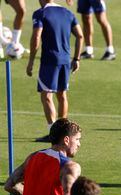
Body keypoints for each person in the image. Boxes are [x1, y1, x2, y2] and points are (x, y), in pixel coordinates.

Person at [26, 0, 83, 143]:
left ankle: (53, 133)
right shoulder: (68, 13)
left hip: (49, 61)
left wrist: (31, 60)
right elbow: (80, 36)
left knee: (46, 96)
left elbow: (36, 36)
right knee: (62, 95)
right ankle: (63, 132)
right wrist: (76, 58)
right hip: (65, 60)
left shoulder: (40, 13)